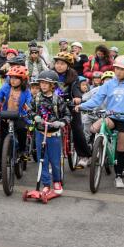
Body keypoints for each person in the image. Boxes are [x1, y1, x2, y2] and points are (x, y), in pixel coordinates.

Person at [78, 56, 124, 184]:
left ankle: (118, 175)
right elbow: (97, 99)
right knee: (93, 128)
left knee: (121, 148)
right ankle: (97, 149)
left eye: (122, 69)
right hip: (111, 117)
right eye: (117, 68)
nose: (118, 71)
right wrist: (82, 106)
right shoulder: (109, 84)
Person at [0, 65, 32, 183]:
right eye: (11, 77)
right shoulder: (6, 87)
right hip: (6, 117)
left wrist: (29, 111)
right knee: (2, 144)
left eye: (16, 78)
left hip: (20, 116)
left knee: (22, 130)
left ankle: (22, 151)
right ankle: (0, 170)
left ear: (23, 80)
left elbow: (28, 103)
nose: (13, 80)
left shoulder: (26, 91)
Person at [30, 70, 71, 198]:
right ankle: (46, 184)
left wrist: (62, 122)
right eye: (41, 83)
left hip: (54, 135)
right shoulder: (36, 98)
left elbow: (68, 115)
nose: (43, 85)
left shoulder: (57, 99)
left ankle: (57, 181)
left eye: (46, 83)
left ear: (52, 85)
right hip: (40, 133)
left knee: (55, 160)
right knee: (42, 160)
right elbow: (29, 111)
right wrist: (34, 116)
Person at [53, 52, 92, 167]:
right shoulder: (51, 74)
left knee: (77, 129)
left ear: (68, 65)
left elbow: (76, 89)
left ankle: (84, 155)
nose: (59, 66)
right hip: (54, 104)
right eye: (57, 63)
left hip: (70, 105)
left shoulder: (73, 76)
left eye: (62, 64)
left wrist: (77, 98)